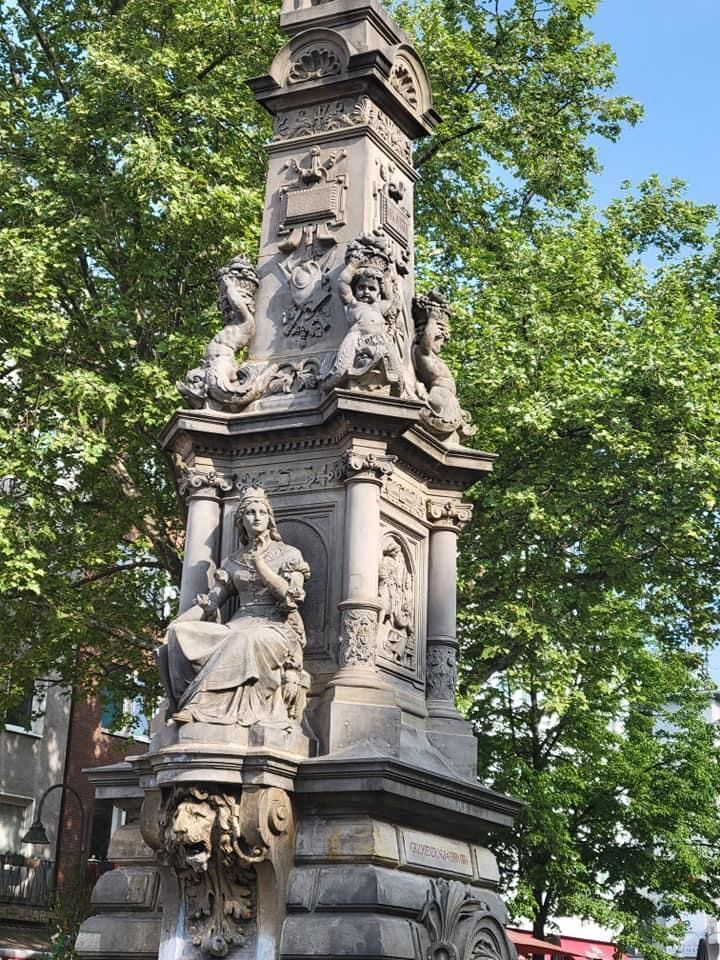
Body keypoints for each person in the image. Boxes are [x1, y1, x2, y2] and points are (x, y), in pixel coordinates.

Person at [158, 487, 310, 727]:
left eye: (262, 512)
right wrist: (179, 624)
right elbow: (214, 599)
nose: (257, 517)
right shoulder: (232, 561)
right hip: (238, 624)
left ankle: (199, 706)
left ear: (270, 519)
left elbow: (289, 598)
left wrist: (260, 564)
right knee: (181, 634)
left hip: (275, 626)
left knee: (244, 640)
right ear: (241, 521)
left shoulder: (289, 554)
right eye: (250, 512)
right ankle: (191, 704)